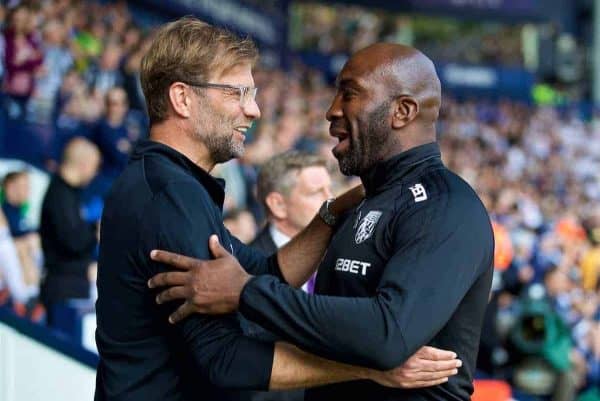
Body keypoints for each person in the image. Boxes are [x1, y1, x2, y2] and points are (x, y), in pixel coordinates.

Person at [94, 18, 460, 401]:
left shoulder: (174, 185)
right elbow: (225, 359)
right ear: (182, 98)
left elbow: (263, 272)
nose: (253, 111)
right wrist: (369, 367)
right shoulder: (171, 195)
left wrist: (334, 212)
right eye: (237, 93)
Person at [40, 137, 101, 326]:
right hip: (63, 291)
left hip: (73, 287)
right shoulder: (60, 196)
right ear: (83, 165)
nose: (95, 174)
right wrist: (95, 231)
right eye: (94, 167)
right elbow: (72, 241)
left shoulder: (70, 194)